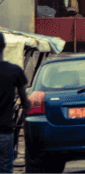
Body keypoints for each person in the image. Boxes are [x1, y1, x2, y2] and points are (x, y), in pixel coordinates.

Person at [0, 33, 31, 174]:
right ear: (4, 47)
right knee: (6, 168)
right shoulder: (14, 71)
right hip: (5, 131)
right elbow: (25, 101)